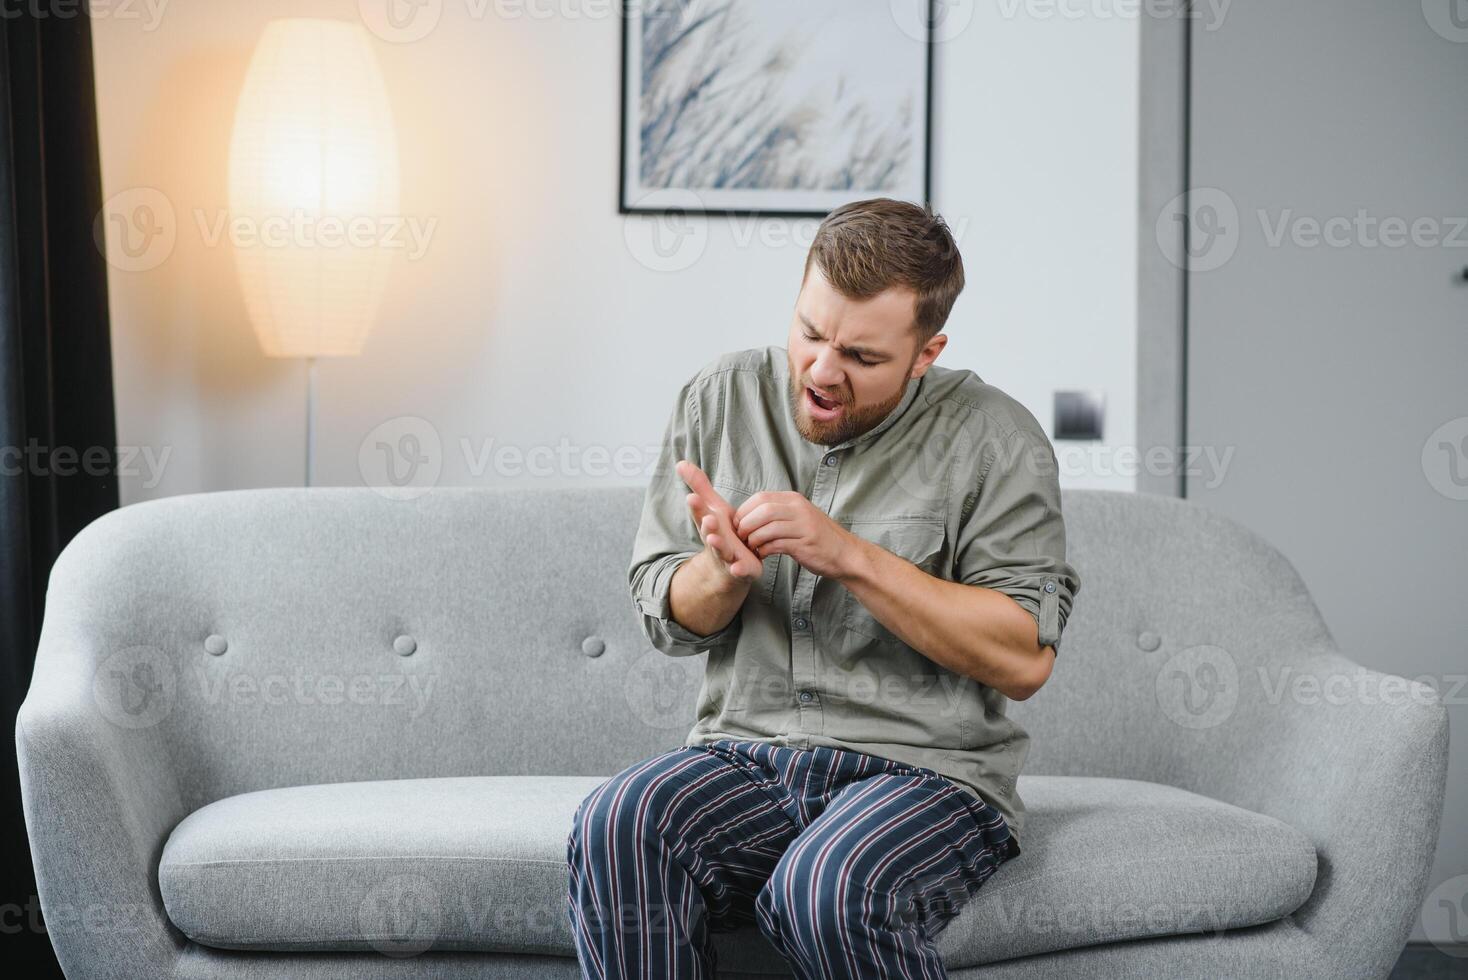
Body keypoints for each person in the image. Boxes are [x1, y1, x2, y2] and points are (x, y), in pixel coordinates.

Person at [567, 197, 1080, 979]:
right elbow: (666, 615)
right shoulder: (721, 398)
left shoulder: (995, 439)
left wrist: (850, 556)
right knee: (619, 824)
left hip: (926, 775)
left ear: (925, 351)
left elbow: (1023, 658)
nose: (821, 371)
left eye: (863, 357)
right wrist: (721, 573)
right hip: (746, 754)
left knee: (828, 887)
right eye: (809, 333)